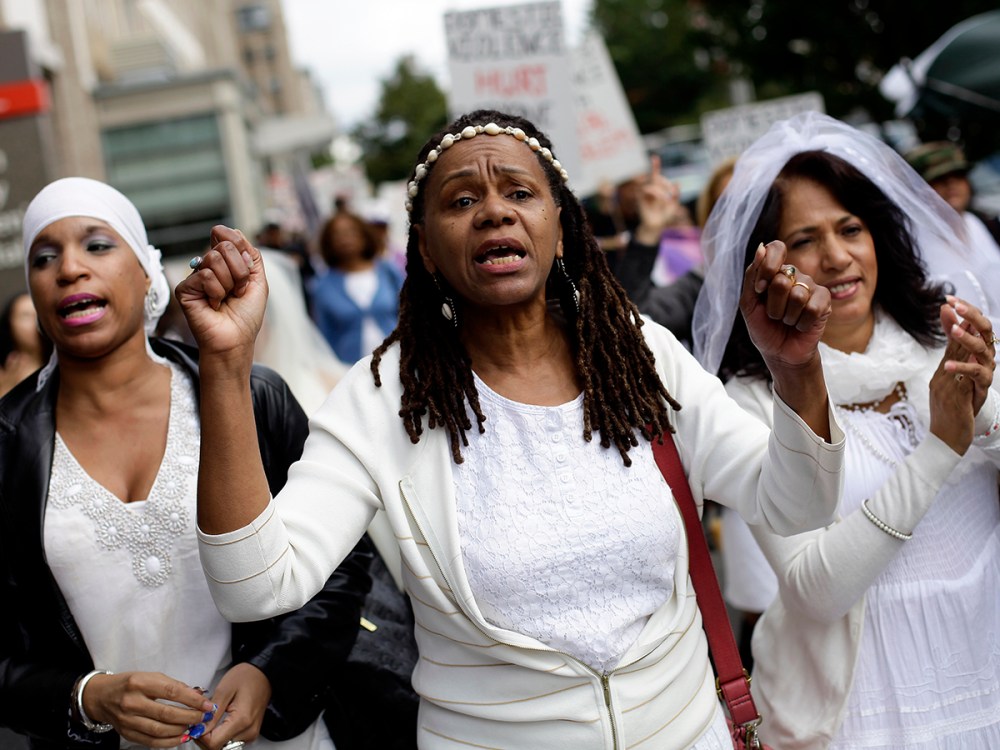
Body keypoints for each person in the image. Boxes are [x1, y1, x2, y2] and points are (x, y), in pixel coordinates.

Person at [177, 109, 846, 749]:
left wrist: (796, 372)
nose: (495, 210)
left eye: (520, 192)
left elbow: (798, 504)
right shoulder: (382, 398)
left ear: (559, 224)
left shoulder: (637, 353)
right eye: (462, 201)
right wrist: (229, 367)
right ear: (427, 252)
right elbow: (255, 585)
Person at [0, 177, 373, 750]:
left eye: (97, 245)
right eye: (44, 258)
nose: (69, 268)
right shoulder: (7, 444)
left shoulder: (250, 397)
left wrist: (268, 673)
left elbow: (342, 566)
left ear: (148, 273)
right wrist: (85, 697)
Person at [694, 111, 1000, 748]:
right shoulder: (754, 400)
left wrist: (984, 405)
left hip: (985, 672)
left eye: (850, 228)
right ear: (765, 268)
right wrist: (941, 445)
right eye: (803, 240)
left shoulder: (946, 346)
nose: (836, 258)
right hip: (860, 709)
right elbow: (815, 591)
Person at [615, 156, 736, 350]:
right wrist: (649, 230)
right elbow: (631, 320)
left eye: (753, 200)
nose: (741, 216)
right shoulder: (703, 284)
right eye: (726, 205)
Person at [311, 210, 404, 365]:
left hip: (398, 360)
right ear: (329, 242)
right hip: (350, 368)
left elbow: (410, 311)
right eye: (337, 235)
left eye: (350, 232)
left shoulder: (388, 271)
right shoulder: (322, 286)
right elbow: (323, 335)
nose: (345, 239)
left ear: (364, 235)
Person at [0, 292, 50, 398]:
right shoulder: (4, 372)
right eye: (26, 316)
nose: (35, 322)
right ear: (10, 323)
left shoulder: (62, 365)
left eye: (38, 315)